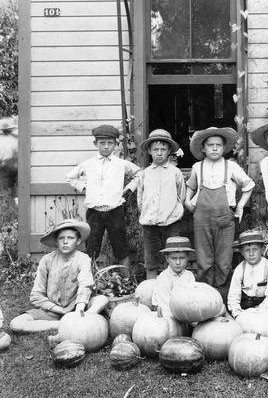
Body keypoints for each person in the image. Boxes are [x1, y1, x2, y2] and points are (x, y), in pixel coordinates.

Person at [185, 127, 255, 295]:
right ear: (203, 148)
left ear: (224, 148)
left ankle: (222, 292)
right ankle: (205, 292)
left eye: (218, 145)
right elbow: (191, 186)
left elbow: (249, 185)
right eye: (210, 145)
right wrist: (187, 200)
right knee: (203, 256)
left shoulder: (230, 166)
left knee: (224, 257)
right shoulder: (197, 167)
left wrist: (240, 205)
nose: (214, 148)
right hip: (201, 216)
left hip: (224, 215)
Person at [10, 219, 105, 334]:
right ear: (56, 241)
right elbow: (36, 296)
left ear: (78, 241)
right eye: (61, 238)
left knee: (102, 300)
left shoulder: (83, 258)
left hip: (77, 307)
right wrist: (60, 310)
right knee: (16, 324)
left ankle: (79, 319)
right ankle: (61, 324)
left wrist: (78, 312)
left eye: (70, 238)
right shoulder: (47, 260)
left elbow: (85, 285)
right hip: (53, 309)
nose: (65, 242)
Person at [66, 124, 140, 267]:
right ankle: (88, 281)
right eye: (102, 143)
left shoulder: (121, 164)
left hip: (115, 211)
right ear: (95, 144)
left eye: (110, 143)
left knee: (121, 249)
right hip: (94, 212)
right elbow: (70, 177)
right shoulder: (88, 164)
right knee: (92, 249)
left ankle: (127, 282)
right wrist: (84, 187)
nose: (106, 146)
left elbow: (139, 173)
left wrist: (129, 188)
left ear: (115, 144)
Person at [136, 129, 186, 279]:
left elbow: (181, 196)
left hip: (171, 222)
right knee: (151, 260)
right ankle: (151, 289)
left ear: (169, 151)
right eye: (155, 149)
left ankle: (172, 288)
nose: (159, 153)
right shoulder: (144, 174)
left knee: (172, 257)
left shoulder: (175, 173)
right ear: (149, 151)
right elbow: (140, 198)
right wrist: (148, 213)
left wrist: (173, 212)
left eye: (163, 149)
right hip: (150, 223)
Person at [228, 230, 268, 318]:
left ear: (262, 249)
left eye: (255, 249)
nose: (251, 254)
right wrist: (237, 314)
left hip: (263, 309)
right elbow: (233, 295)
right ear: (241, 252)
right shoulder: (240, 269)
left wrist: (257, 312)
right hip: (243, 308)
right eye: (247, 250)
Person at [151, 236, 196, 317]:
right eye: (174, 258)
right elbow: (165, 306)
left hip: (184, 312)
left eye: (182, 258)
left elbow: (192, 299)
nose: (178, 262)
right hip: (167, 314)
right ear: (167, 258)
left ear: (188, 258)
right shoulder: (164, 278)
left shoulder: (189, 276)